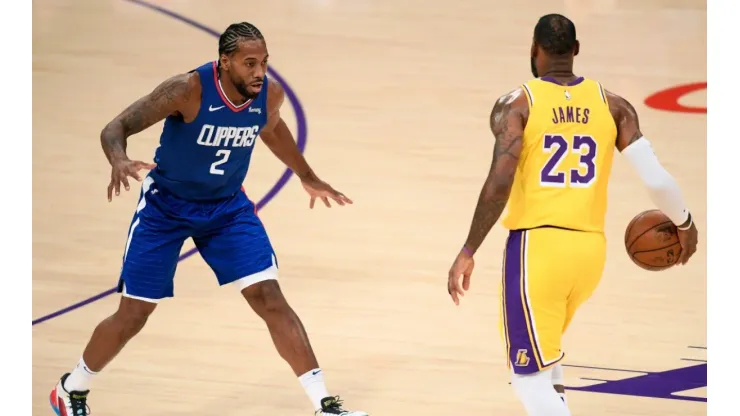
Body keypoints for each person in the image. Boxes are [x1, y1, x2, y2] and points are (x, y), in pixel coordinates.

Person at [49, 22, 367, 416]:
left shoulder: (268, 94)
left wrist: (307, 176)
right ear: (225, 61)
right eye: (249, 63)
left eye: (264, 62)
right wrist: (119, 160)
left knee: (270, 298)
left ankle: (324, 404)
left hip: (226, 209)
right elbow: (114, 128)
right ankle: (71, 388)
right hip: (165, 209)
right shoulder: (188, 89)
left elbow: (272, 128)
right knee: (134, 314)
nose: (259, 72)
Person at [445, 13, 698, 416]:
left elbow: (499, 183)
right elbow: (656, 178)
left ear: (534, 48)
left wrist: (468, 249)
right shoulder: (614, 105)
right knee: (548, 359)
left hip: (537, 250)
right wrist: (684, 223)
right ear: (576, 50)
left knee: (526, 378)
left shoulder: (517, 103)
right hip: (589, 253)